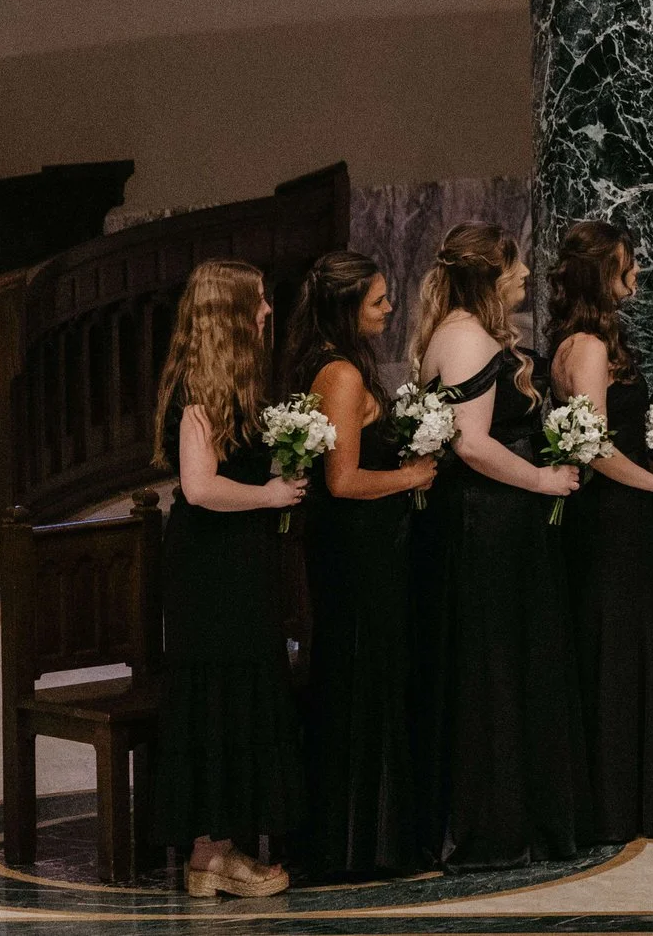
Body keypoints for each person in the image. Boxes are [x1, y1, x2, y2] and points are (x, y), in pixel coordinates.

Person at [407, 222, 586, 865]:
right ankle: (496, 821)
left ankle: (517, 813)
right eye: (515, 266)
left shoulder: (461, 333)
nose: (526, 276)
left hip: (496, 523)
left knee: (506, 662)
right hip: (487, 523)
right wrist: (543, 478)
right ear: (491, 274)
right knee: (494, 666)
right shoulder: (465, 336)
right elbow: (472, 443)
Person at [151, 259, 308, 897]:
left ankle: (223, 846)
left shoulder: (233, 387)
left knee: (241, 697)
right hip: (209, 573)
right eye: (259, 302)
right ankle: (207, 854)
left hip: (236, 568)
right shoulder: (195, 390)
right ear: (228, 316)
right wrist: (271, 497)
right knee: (214, 701)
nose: (268, 311)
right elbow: (199, 486)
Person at [289, 249, 436, 879]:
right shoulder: (342, 376)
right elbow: (343, 479)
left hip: (363, 553)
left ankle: (369, 839)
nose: (388, 309)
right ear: (350, 307)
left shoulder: (335, 365)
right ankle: (358, 845)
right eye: (378, 300)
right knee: (361, 683)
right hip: (355, 557)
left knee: (369, 681)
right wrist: (412, 474)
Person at [550, 221, 653, 844]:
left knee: (616, 652)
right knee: (614, 654)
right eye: (627, 263)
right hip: (609, 523)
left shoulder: (580, 343)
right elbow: (595, 447)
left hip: (611, 521)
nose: (636, 271)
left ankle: (618, 806)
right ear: (605, 274)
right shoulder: (590, 349)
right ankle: (615, 810)